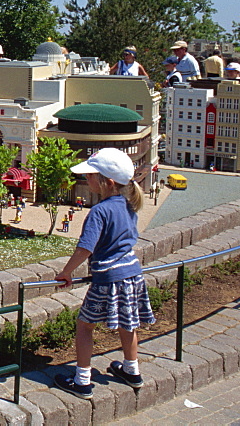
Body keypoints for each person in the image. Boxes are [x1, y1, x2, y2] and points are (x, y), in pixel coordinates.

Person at [54, 148, 155, 398]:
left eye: (90, 176)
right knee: (128, 324)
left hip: (108, 279)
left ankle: (82, 380)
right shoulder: (129, 205)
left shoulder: (99, 211)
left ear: (107, 182)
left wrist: (66, 272)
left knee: (85, 326)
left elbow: (85, 248)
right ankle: (132, 370)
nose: (86, 180)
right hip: (132, 274)